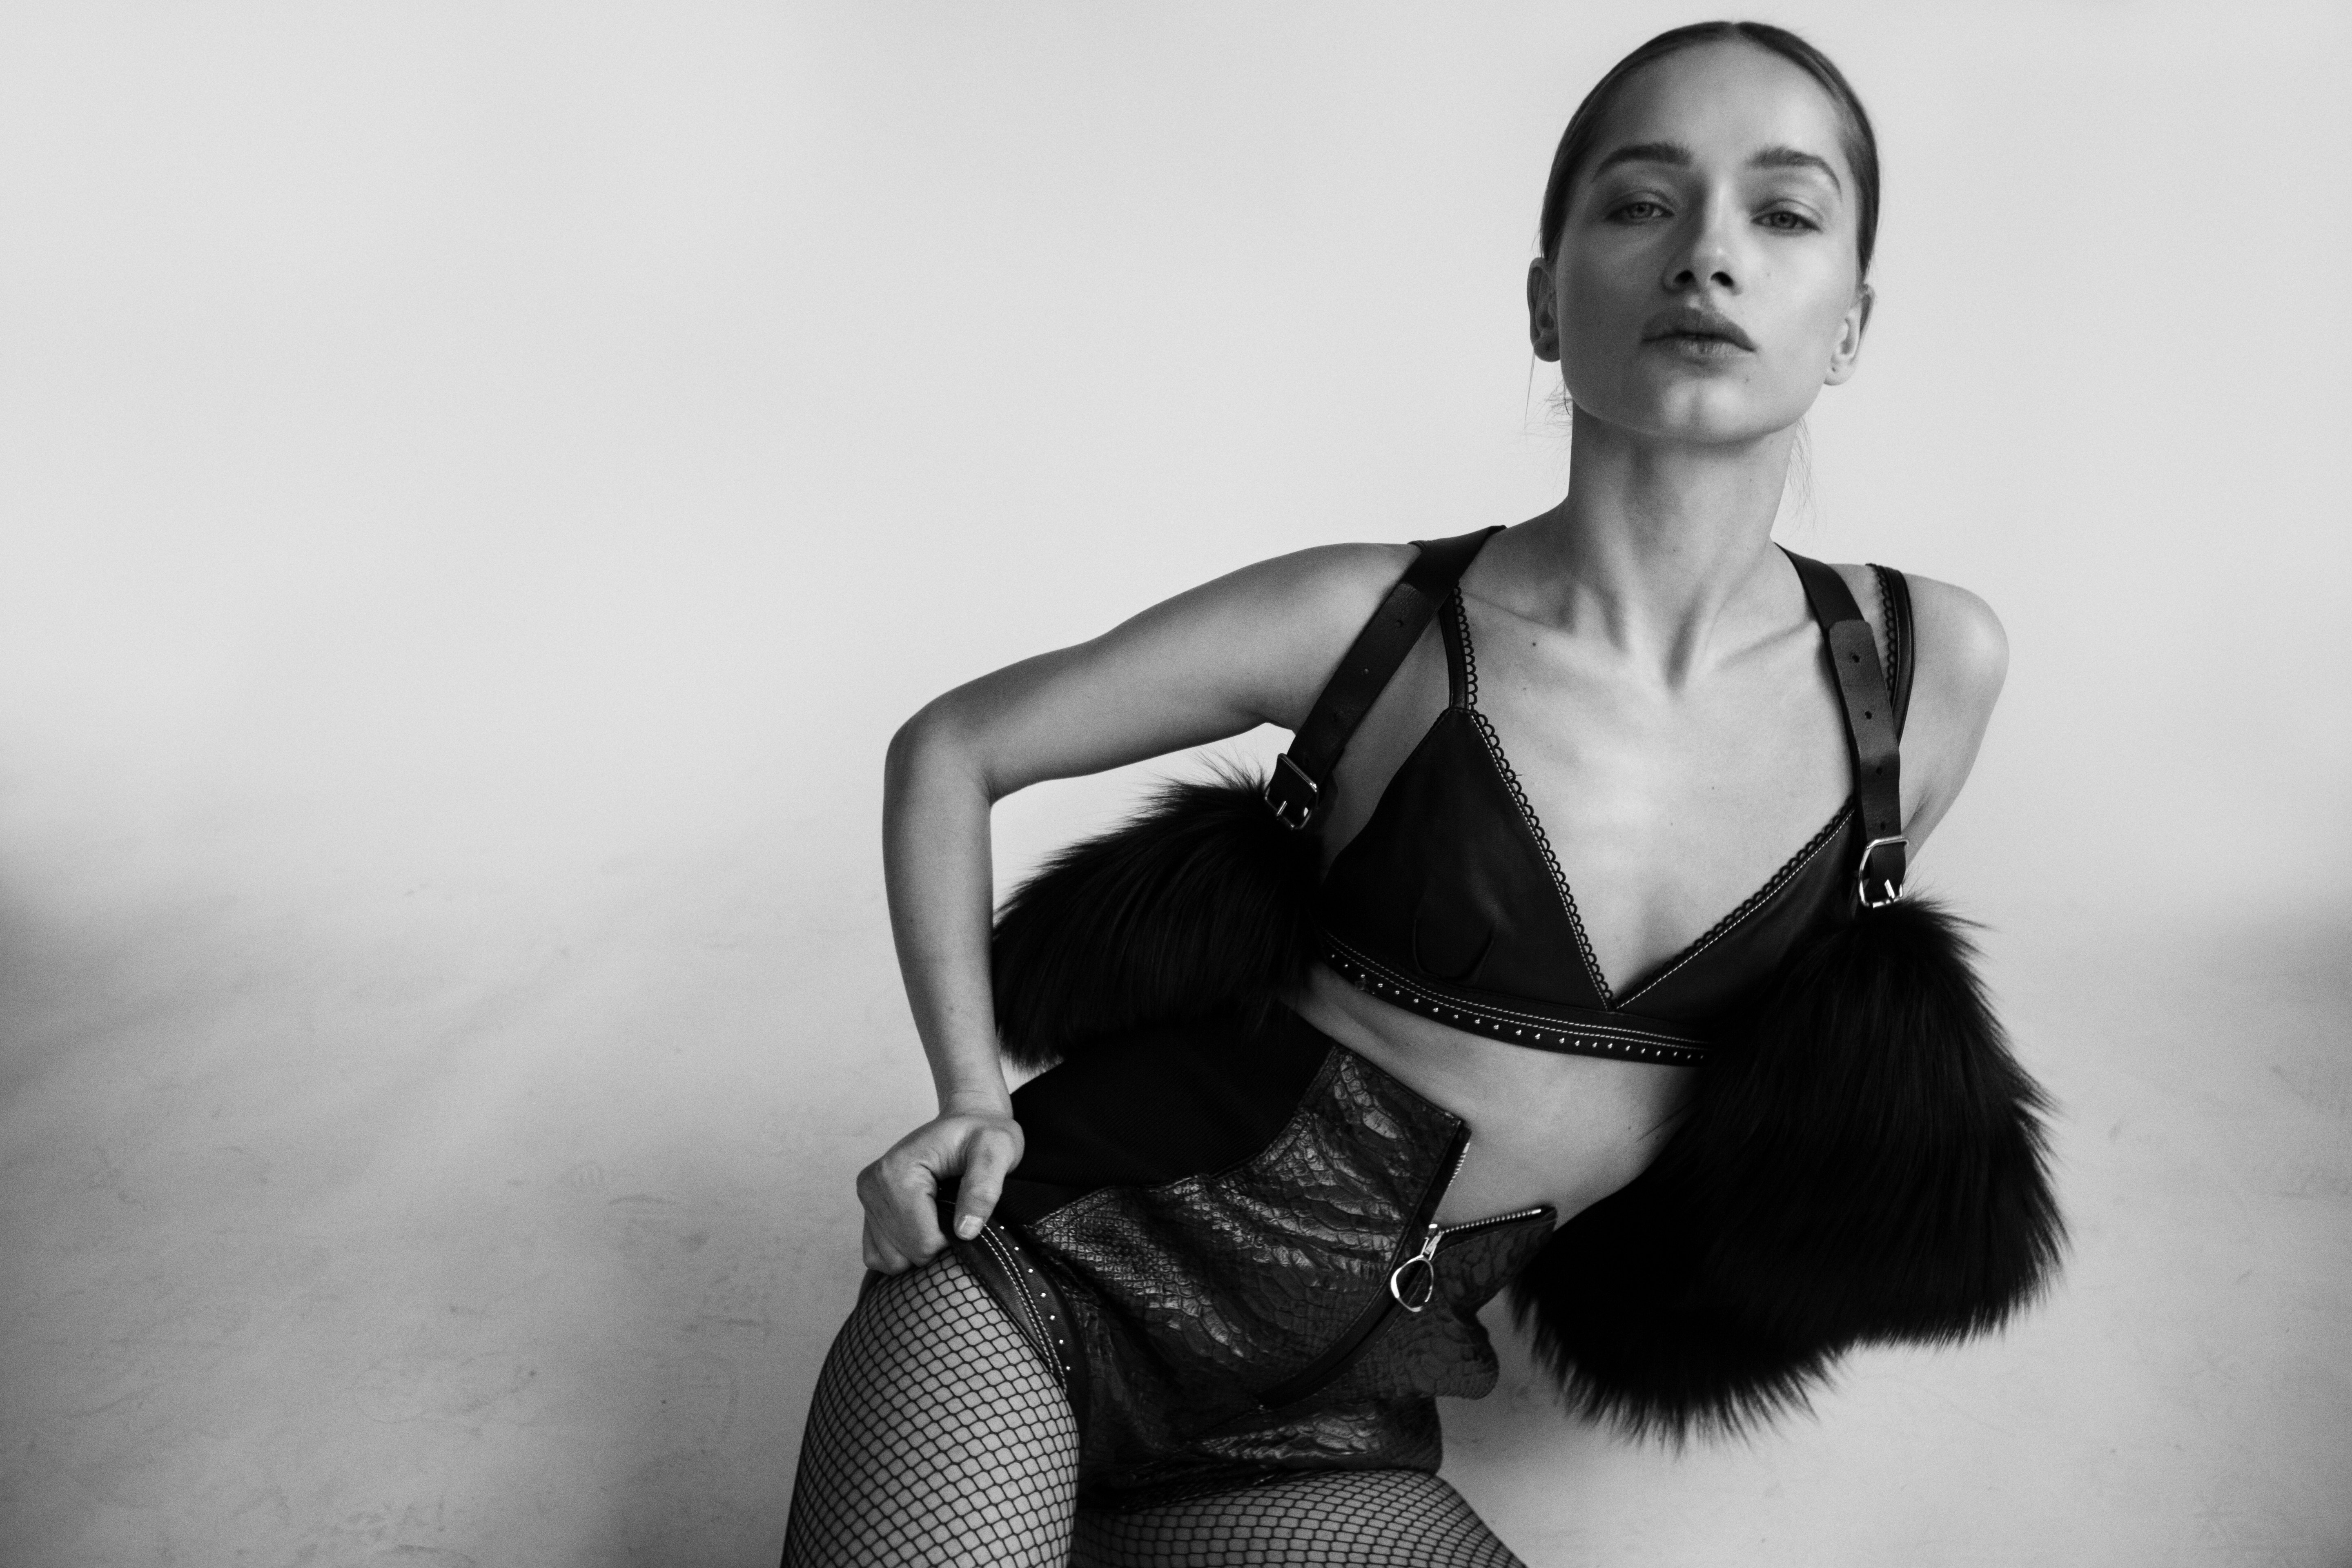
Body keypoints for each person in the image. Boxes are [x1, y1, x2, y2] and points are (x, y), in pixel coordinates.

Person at [782, 21, 2013, 1566]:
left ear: (1851, 325)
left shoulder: (1924, 672)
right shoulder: (1373, 625)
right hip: (1043, 1296)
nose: (1708, 255)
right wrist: (969, 1096)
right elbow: (952, 747)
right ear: (1544, 303)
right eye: (1642, 203)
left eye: (1783, 212)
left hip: (1328, 1431)